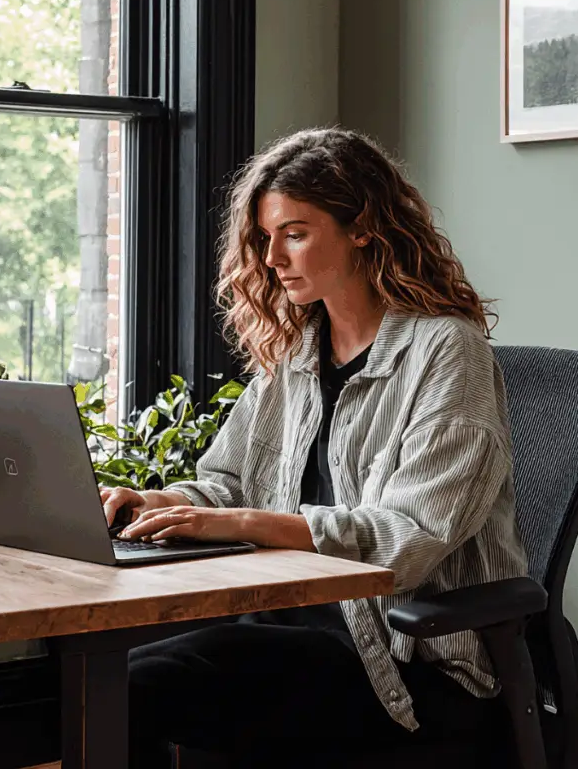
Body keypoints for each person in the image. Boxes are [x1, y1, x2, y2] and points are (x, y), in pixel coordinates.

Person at [101, 128, 527, 767]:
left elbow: (407, 539)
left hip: (403, 661)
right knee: (109, 672)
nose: (272, 258)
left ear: (362, 228)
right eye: (267, 237)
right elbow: (227, 483)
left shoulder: (446, 352)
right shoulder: (299, 351)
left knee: (133, 688)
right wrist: (159, 503)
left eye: (295, 234)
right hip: (291, 621)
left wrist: (240, 522)